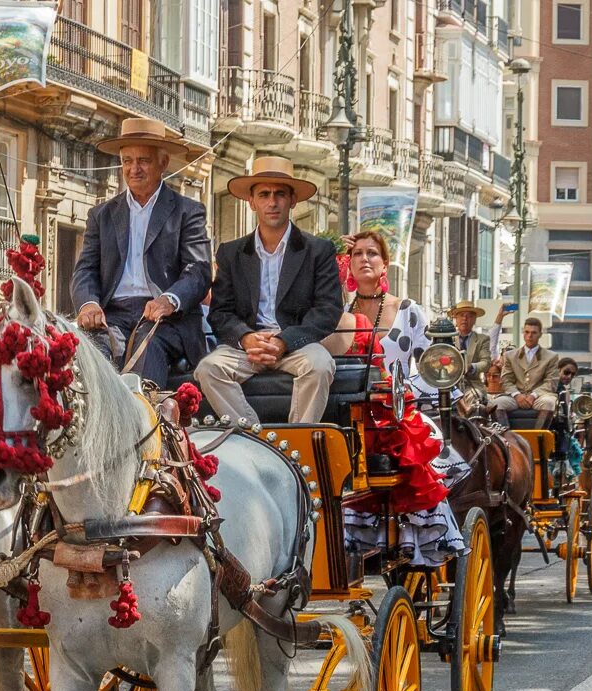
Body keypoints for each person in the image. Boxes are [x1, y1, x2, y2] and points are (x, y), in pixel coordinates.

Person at [336, 231, 467, 565]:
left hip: (397, 409)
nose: (364, 259)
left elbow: (433, 364)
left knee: (413, 448)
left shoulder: (408, 311)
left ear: (385, 264)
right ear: (348, 265)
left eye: (372, 254)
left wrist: (401, 391)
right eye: (357, 254)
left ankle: (419, 537)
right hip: (348, 410)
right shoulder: (335, 311)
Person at [194, 156, 344, 424]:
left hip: (297, 344)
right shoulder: (231, 252)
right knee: (208, 369)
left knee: (320, 366)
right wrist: (246, 338)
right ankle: (258, 440)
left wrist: (284, 340)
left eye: (279, 194)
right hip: (247, 348)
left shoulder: (318, 250)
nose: (272, 202)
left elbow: (328, 310)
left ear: (292, 200)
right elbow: (220, 312)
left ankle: (298, 440)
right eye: (264, 195)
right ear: (251, 202)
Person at [71, 118, 211, 383]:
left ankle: (145, 422)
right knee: (88, 356)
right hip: (113, 316)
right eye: (127, 161)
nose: (134, 169)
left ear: (163, 163)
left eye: (143, 160)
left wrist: (169, 300)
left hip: (167, 321)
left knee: (147, 350)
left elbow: (198, 271)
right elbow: (85, 269)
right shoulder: (101, 215)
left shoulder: (188, 212)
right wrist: (88, 304)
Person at [491, 317, 561, 428]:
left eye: (534, 333)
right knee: (496, 403)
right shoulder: (510, 356)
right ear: (523, 333)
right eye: (527, 332)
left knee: (549, 402)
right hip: (515, 396)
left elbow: (551, 382)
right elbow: (506, 380)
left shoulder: (551, 357)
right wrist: (517, 395)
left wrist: (533, 395)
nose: (530, 336)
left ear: (540, 334)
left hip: (539, 397)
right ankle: (505, 437)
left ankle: (538, 437)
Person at [447, 299, 506, 408]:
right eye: (461, 315)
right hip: (448, 386)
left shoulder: (482, 339)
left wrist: (472, 367)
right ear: (455, 318)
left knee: (475, 399)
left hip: (472, 386)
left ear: (474, 319)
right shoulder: (447, 339)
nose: (465, 319)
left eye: (469, 316)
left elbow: (486, 362)